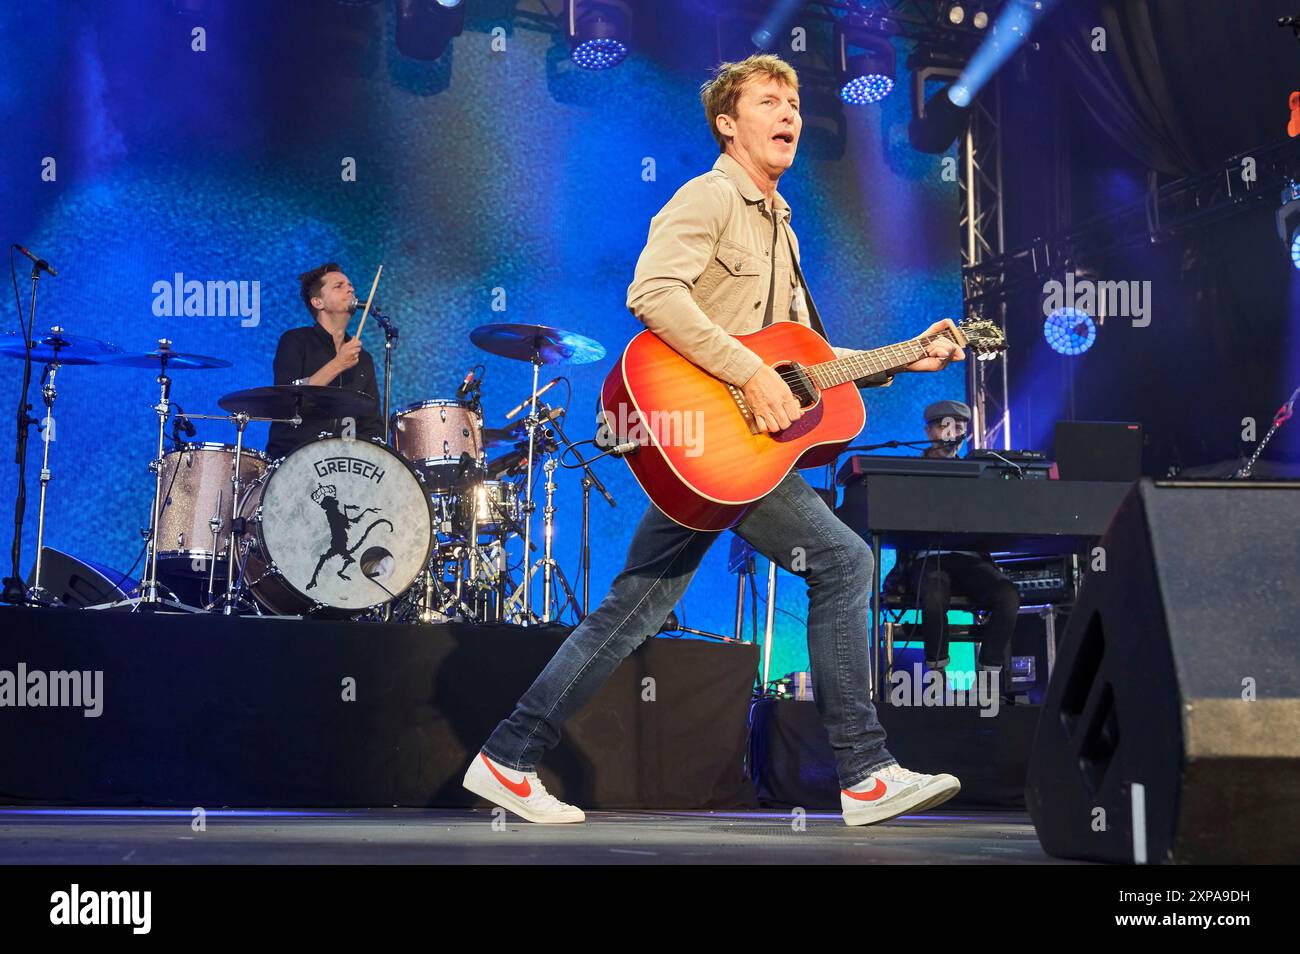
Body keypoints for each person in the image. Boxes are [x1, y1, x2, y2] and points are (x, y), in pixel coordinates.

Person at [463, 54, 966, 826]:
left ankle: (508, 755)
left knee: (634, 607)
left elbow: (804, 365)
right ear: (729, 125)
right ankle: (864, 772)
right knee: (843, 559)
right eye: (770, 99)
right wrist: (748, 376)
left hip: (731, 451)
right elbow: (653, 293)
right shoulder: (708, 197)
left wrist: (907, 357)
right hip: (705, 426)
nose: (789, 111)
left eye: (795, 100)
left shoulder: (783, 226)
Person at [888, 399, 1021, 680]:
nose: (951, 432)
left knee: (1007, 595)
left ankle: (989, 674)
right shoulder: (908, 472)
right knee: (935, 592)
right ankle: (937, 674)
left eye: (959, 426)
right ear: (928, 432)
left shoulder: (980, 474)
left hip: (970, 560)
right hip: (927, 561)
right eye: (944, 426)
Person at [265, 263, 384, 461]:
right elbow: (286, 401)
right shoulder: (295, 341)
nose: (350, 289)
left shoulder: (363, 358)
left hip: (345, 463)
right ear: (318, 302)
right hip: (294, 458)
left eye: (350, 284)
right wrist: (338, 364)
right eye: (339, 286)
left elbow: (371, 423)